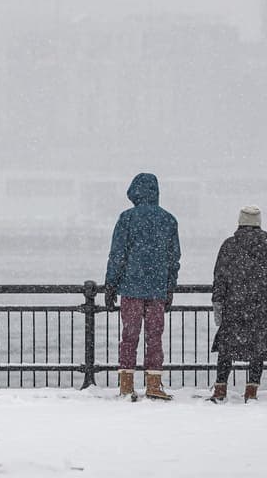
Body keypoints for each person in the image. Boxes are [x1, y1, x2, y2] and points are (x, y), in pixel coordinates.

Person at [104, 172, 181, 401]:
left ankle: (126, 386)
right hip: (157, 290)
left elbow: (117, 256)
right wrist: (169, 288)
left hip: (131, 289)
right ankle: (154, 384)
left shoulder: (127, 218)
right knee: (154, 337)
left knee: (129, 337)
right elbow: (173, 259)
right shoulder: (168, 220)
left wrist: (110, 287)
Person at [208, 205, 267, 403]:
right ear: (258, 223)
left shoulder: (229, 245)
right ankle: (251, 392)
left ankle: (220, 389)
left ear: (240, 221)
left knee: (226, 349)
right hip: (262, 307)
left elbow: (220, 277)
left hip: (234, 306)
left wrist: (218, 302)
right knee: (257, 350)